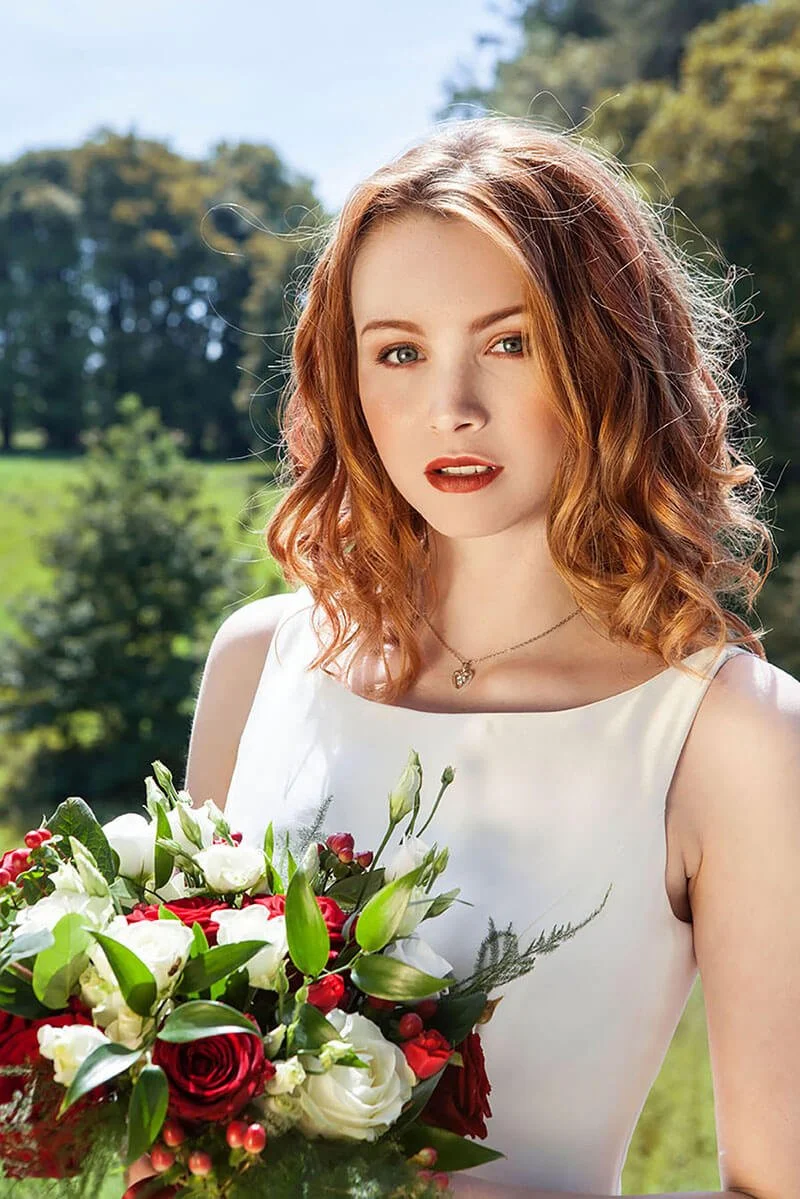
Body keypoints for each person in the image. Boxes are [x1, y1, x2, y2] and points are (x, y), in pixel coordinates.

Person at [138, 118, 799, 1197]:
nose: (450, 408)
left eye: (509, 342)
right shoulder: (256, 659)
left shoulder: (730, 735)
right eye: (397, 351)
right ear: (345, 380)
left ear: (605, 356)